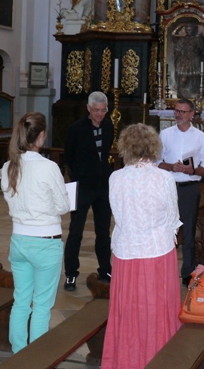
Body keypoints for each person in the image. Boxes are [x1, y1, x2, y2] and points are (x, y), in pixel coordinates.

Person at [102, 124, 182, 368]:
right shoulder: (164, 177)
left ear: (125, 147)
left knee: (127, 312)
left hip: (126, 251)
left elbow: (116, 213)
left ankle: (125, 360)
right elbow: (173, 218)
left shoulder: (115, 177)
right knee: (156, 310)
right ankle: (159, 359)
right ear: (153, 146)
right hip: (157, 252)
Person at [0, 112, 70, 353]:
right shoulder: (49, 167)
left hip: (19, 240)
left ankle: (19, 355)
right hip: (44, 242)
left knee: (21, 301)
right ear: (41, 136)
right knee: (41, 305)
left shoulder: (8, 166)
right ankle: (37, 360)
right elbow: (62, 206)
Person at [158, 98, 204, 285]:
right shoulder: (165, 134)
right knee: (165, 229)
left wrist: (193, 171)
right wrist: (171, 166)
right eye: (176, 111)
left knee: (188, 231)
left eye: (182, 112)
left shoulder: (200, 137)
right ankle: (164, 269)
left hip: (189, 188)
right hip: (168, 187)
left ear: (191, 114)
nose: (178, 115)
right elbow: (156, 161)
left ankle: (188, 272)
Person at [63, 91, 114, 290]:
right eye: (96, 111)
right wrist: (78, 178)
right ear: (88, 108)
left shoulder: (108, 126)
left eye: (103, 111)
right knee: (76, 231)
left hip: (102, 186)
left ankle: (105, 269)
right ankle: (71, 273)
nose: (100, 114)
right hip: (82, 186)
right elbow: (69, 157)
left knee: (103, 231)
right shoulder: (75, 129)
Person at [172, 22, 204, 99]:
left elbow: (202, 50)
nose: (189, 31)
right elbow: (177, 49)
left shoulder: (197, 39)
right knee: (183, 78)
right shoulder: (182, 39)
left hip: (194, 60)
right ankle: (181, 94)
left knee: (195, 78)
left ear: (194, 30)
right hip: (184, 61)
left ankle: (195, 93)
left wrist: (200, 41)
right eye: (188, 29)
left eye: (191, 29)